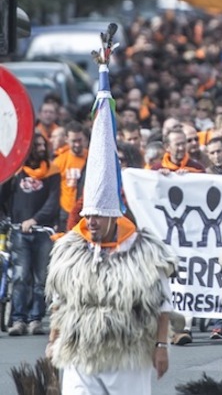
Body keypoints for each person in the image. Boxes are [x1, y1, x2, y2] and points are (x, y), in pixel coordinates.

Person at [45, 29, 177, 394]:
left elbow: (161, 304)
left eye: (97, 217)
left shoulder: (143, 249)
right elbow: (60, 301)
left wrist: (160, 346)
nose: (91, 223)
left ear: (113, 214)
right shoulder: (70, 249)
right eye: (87, 216)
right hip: (81, 352)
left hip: (126, 354)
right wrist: (54, 338)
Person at [1, 133, 60, 336]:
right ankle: (18, 319)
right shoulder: (16, 171)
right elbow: (4, 196)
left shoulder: (52, 171)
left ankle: (36, 319)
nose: (41, 147)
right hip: (19, 233)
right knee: (20, 276)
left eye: (43, 143)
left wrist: (35, 219)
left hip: (42, 232)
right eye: (37, 144)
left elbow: (53, 201)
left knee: (40, 278)